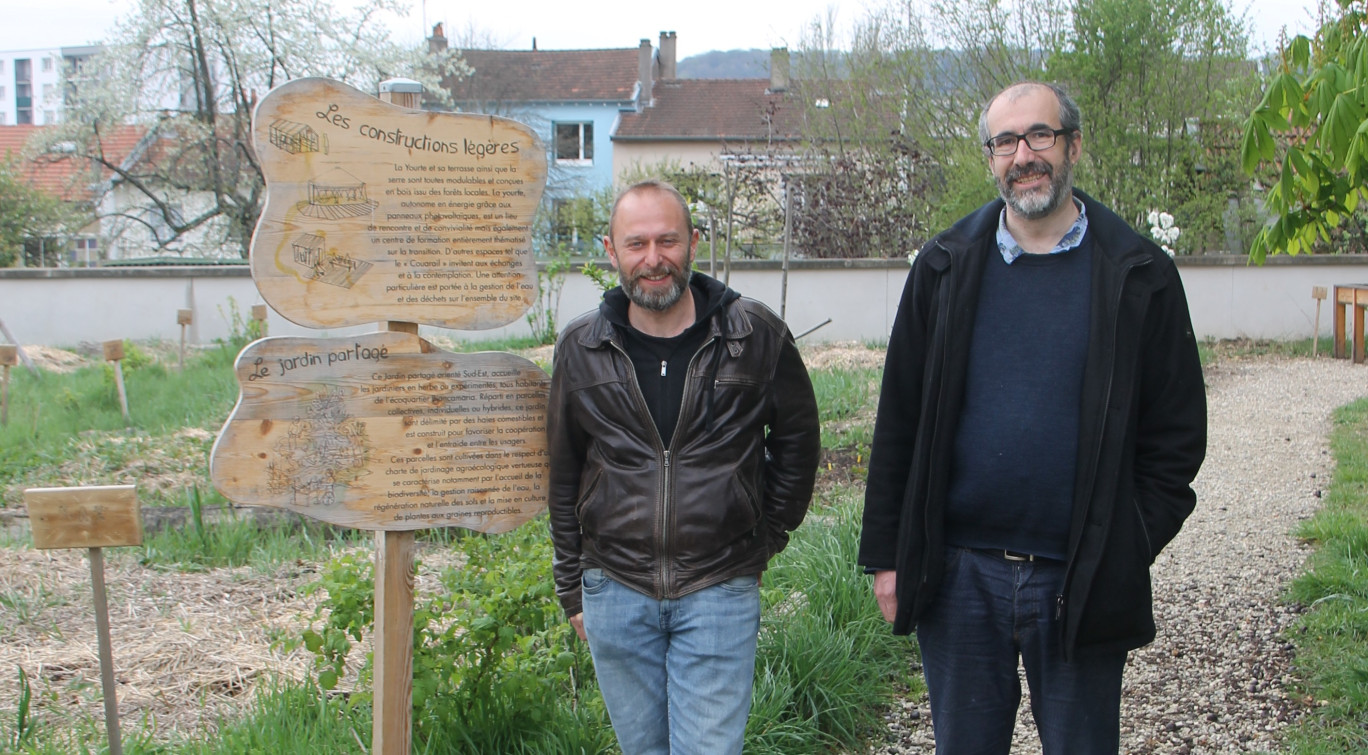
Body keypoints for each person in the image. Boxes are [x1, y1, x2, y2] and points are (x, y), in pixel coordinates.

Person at [858, 81, 1207, 753]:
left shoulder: (1138, 272)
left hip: (1083, 574)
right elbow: (899, 419)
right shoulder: (943, 267)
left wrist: (1126, 542)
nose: (1024, 155)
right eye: (1006, 142)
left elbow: (1177, 435)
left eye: (1039, 136)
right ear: (991, 158)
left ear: (1073, 144)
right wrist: (885, 557)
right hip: (960, 577)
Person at [547, 178, 821, 755]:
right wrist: (573, 588)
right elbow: (565, 471)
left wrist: (763, 539)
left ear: (694, 241)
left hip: (719, 587)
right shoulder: (581, 348)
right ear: (610, 250)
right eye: (637, 244)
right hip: (614, 589)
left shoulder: (754, 334)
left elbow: (798, 442)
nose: (654, 259)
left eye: (668, 241)